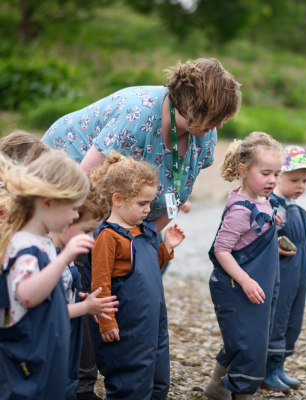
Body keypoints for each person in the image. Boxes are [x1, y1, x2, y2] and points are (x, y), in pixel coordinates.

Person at [42, 57, 242, 232]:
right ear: (190, 106)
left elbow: (176, 197)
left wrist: (144, 240)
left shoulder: (206, 134)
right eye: (215, 117)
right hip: (69, 161)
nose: (220, 125)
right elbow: (85, 181)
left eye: (223, 118)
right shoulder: (137, 116)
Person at [87, 153, 185, 399]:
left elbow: (148, 267)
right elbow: (100, 282)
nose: (148, 210)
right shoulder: (108, 237)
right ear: (117, 199)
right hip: (127, 325)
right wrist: (107, 321)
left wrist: (167, 248)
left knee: (158, 379)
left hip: (153, 322)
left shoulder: (144, 231)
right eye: (142, 204)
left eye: (150, 203)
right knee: (130, 380)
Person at [0, 150, 95, 399]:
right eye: (73, 208)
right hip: (25, 360)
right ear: (47, 202)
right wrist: (64, 259)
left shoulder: (42, 242)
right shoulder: (23, 246)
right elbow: (28, 294)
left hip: (44, 352)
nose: (76, 216)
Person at [205, 131, 283, 400]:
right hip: (235, 287)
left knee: (249, 338)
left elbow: (259, 229)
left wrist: (274, 229)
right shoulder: (240, 211)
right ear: (243, 170)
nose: (272, 180)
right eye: (265, 173)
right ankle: (240, 392)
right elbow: (221, 249)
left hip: (258, 284)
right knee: (247, 343)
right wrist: (246, 280)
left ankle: (216, 387)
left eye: (277, 174)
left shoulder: (263, 200)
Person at [49, 181, 116, 400]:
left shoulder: (64, 252)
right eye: (86, 230)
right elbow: (46, 313)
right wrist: (84, 307)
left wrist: (81, 299)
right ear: (66, 218)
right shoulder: (49, 258)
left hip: (64, 341)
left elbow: (63, 294)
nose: (90, 239)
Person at [263, 145, 306, 391]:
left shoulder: (297, 209)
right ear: (277, 177)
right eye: (294, 179)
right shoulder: (273, 205)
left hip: (300, 273)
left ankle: (280, 365)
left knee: (294, 316)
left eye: (304, 181)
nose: (300, 186)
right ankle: (268, 368)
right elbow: (259, 234)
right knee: (279, 315)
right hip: (282, 273)